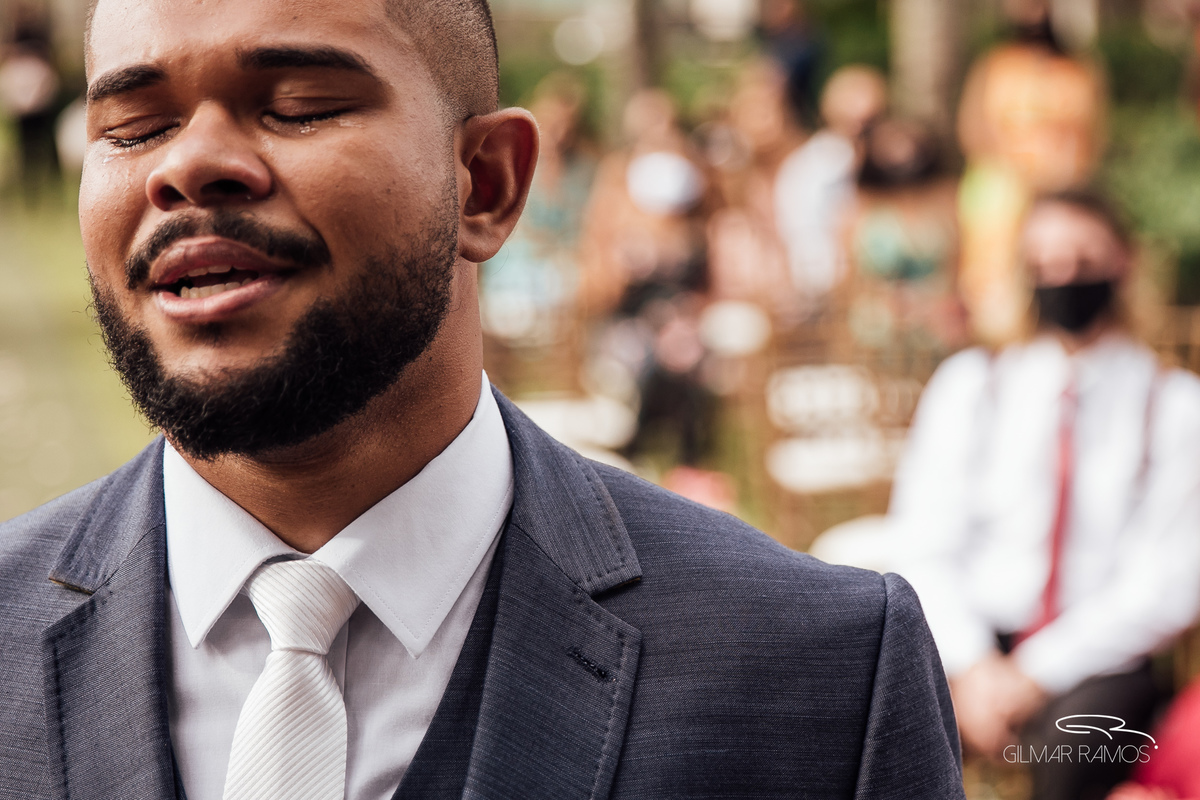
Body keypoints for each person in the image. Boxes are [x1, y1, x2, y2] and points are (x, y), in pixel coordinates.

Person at [0, 0, 964, 797]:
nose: (186, 165)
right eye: (133, 128)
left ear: (487, 183)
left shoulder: (821, 678)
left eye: (296, 104)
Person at [890, 190, 1200, 800]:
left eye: (1083, 262)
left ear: (1124, 264)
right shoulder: (972, 386)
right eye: (1046, 263)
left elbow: (1169, 580)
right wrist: (973, 665)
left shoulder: (1176, 407)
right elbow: (923, 537)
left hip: (1097, 659)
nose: (1063, 279)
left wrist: (1032, 676)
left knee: (1073, 749)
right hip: (968, 643)